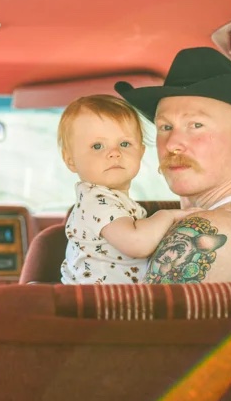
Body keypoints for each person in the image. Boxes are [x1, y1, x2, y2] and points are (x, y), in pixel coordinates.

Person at [115, 47, 231, 284]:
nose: (172, 143)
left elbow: (134, 321)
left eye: (196, 125)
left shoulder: (207, 229)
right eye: (165, 127)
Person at [58, 95, 196, 284]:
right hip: (96, 306)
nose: (114, 152)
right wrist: (168, 215)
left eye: (124, 144)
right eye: (97, 146)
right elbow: (137, 243)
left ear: (141, 151)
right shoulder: (96, 200)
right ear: (70, 160)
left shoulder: (112, 200)